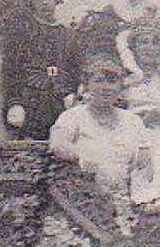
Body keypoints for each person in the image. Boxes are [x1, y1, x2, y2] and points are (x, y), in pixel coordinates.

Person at [49, 50, 154, 199]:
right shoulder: (73, 116)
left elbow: (145, 166)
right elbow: (58, 145)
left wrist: (137, 195)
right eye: (99, 81)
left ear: (121, 86)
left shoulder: (133, 121)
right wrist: (83, 157)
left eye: (112, 81)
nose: (106, 87)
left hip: (124, 199)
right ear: (87, 85)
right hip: (83, 199)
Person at [0, 0, 79, 141]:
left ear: (57, 0)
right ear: (32, 3)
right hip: (30, 92)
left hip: (59, 91)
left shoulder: (67, 34)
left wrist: (70, 91)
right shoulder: (24, 31)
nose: (44, 3)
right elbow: (13, 68)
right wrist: (15, 101)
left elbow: (73, 68)